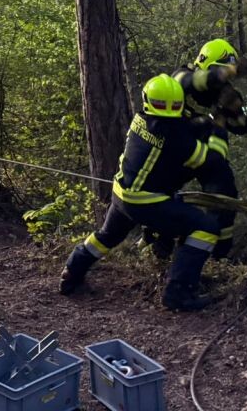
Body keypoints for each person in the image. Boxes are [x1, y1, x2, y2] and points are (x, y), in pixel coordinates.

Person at [59, 74, 236, 312]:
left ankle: (72, 270)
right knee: (206, 229)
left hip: (121, 193)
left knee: (107, 237)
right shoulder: (172, 135)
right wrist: (217, 134)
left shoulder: (140, 118)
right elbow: (210, 161)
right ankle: (178, 293)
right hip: (146, 202)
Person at [147, 38, 247, 261]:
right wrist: (222, 75)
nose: (223, 79)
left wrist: (234, 109)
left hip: (207, 157)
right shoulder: (181, 76)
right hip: (175, 152)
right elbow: (192, 81)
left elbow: (243, 127)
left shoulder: (225, 92)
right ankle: (158, 244)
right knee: (162, 194)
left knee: (225, 194)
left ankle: (220, 253)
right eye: (219, 71)